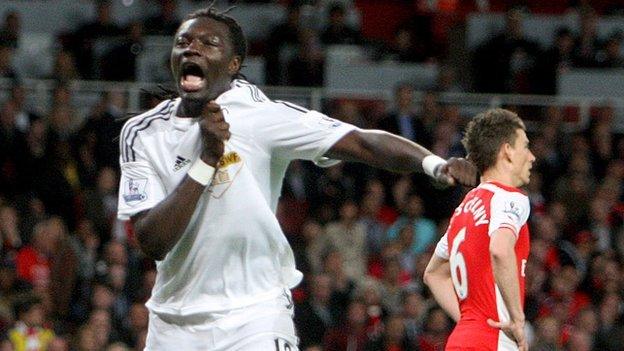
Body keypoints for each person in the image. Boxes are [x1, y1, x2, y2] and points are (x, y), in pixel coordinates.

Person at [117, 5, 477, 350]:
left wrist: (434, 164)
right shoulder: (142, 132)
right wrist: (207, 160)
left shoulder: (262, 117)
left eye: (208, 43)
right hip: (174, 324)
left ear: (233, 64)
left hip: (255, 315)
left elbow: (361, 142)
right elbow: (152, 241)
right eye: (183, 42)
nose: (191, 48)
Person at [423, 108, 535, 350]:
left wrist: (470, 321)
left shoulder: (464, 208)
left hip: (461, 340)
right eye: (525, 147)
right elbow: (500, 249)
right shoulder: (510, 198)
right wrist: (517, 319)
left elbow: (433, 274)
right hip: (493, 341)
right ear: (507, 151)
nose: (532, 157)